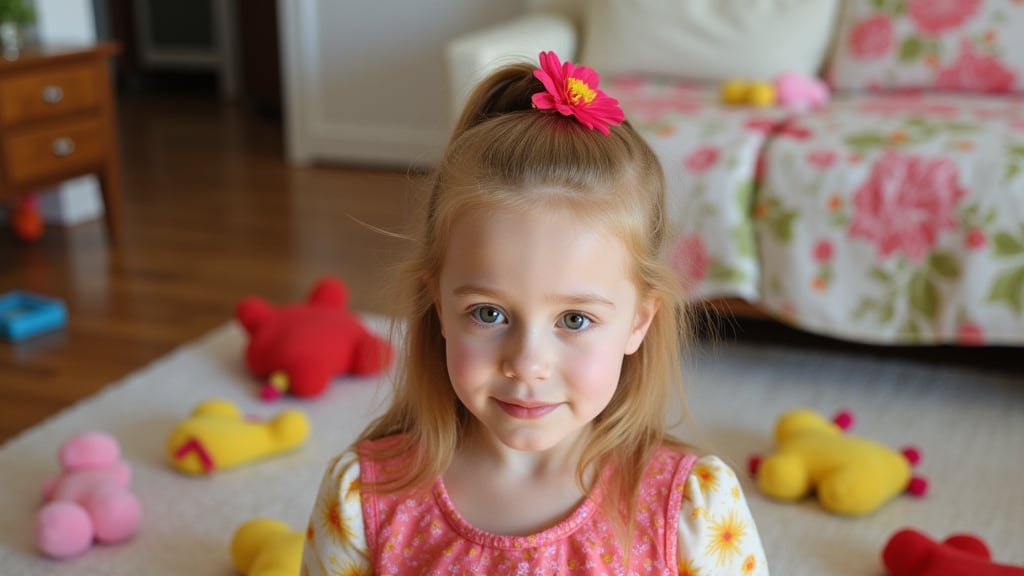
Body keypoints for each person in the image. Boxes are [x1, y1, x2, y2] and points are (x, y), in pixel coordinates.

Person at [301, 51, 768, 575]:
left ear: (640, 320)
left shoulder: (694, 511)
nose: (526, 363)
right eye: (488, 314)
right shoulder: (363, 501)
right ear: (437, 305)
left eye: (574, 319)